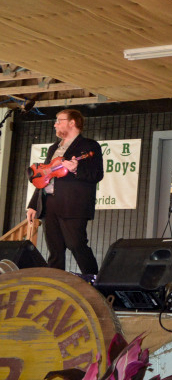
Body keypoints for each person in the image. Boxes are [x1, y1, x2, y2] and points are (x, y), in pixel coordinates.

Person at [26, 109, 104, 274]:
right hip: (49, 203)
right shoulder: (53, 148)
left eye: (59, 121)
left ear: (72, 123)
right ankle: (56, 284)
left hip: (73, 204)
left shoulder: (89, 146)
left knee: (76, 245)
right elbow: (43, 176)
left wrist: (76, 170)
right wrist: (33, 204)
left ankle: (94, 281)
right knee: (55, 251)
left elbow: (97, 174)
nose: (55, 125)